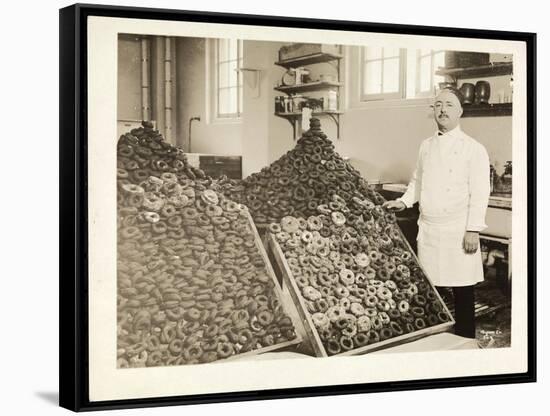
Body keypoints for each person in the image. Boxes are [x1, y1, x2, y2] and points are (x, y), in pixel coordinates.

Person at [383, 87, 490, 339]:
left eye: (449, 104)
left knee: (462, 289)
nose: (442, 109)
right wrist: (404, 202)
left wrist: (473, 229)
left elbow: (480, 192)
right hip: (429, 230)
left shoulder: (474, 149)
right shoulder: (426, 145)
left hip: (457, 230)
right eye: (438, 104)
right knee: (431, 289)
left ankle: (465, 339)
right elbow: (418, 181)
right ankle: (435, 338)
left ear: (460, 111)